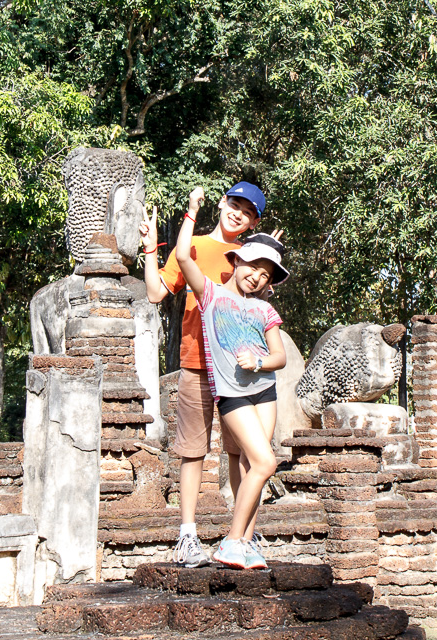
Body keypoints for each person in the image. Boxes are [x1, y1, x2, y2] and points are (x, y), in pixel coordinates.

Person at [139, 182, 266, 568]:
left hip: (238, 371)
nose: (238, 213)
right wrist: (150, 249)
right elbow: (155, 293)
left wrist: (267, 258)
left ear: (254, 222)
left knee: (242, 454)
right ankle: (188, 536)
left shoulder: (248, 258)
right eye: (235, 204)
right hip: (196, 362)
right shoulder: (192, 244)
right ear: (222, 203)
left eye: (248, 212)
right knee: (193, 451)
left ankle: (244, 537)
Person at [173, 201, 289, 570]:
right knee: (265, 462)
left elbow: (279, 357)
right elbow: (183, 256)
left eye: (266, 275)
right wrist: (192, 211)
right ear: (236, 260)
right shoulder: (210, 294)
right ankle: (232, 541)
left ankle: (247, 543)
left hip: (264, 390)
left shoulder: (265, 310)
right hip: (232, 394)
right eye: (253, 266)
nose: (257, 277)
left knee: (255, 465)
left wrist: (258, 362)